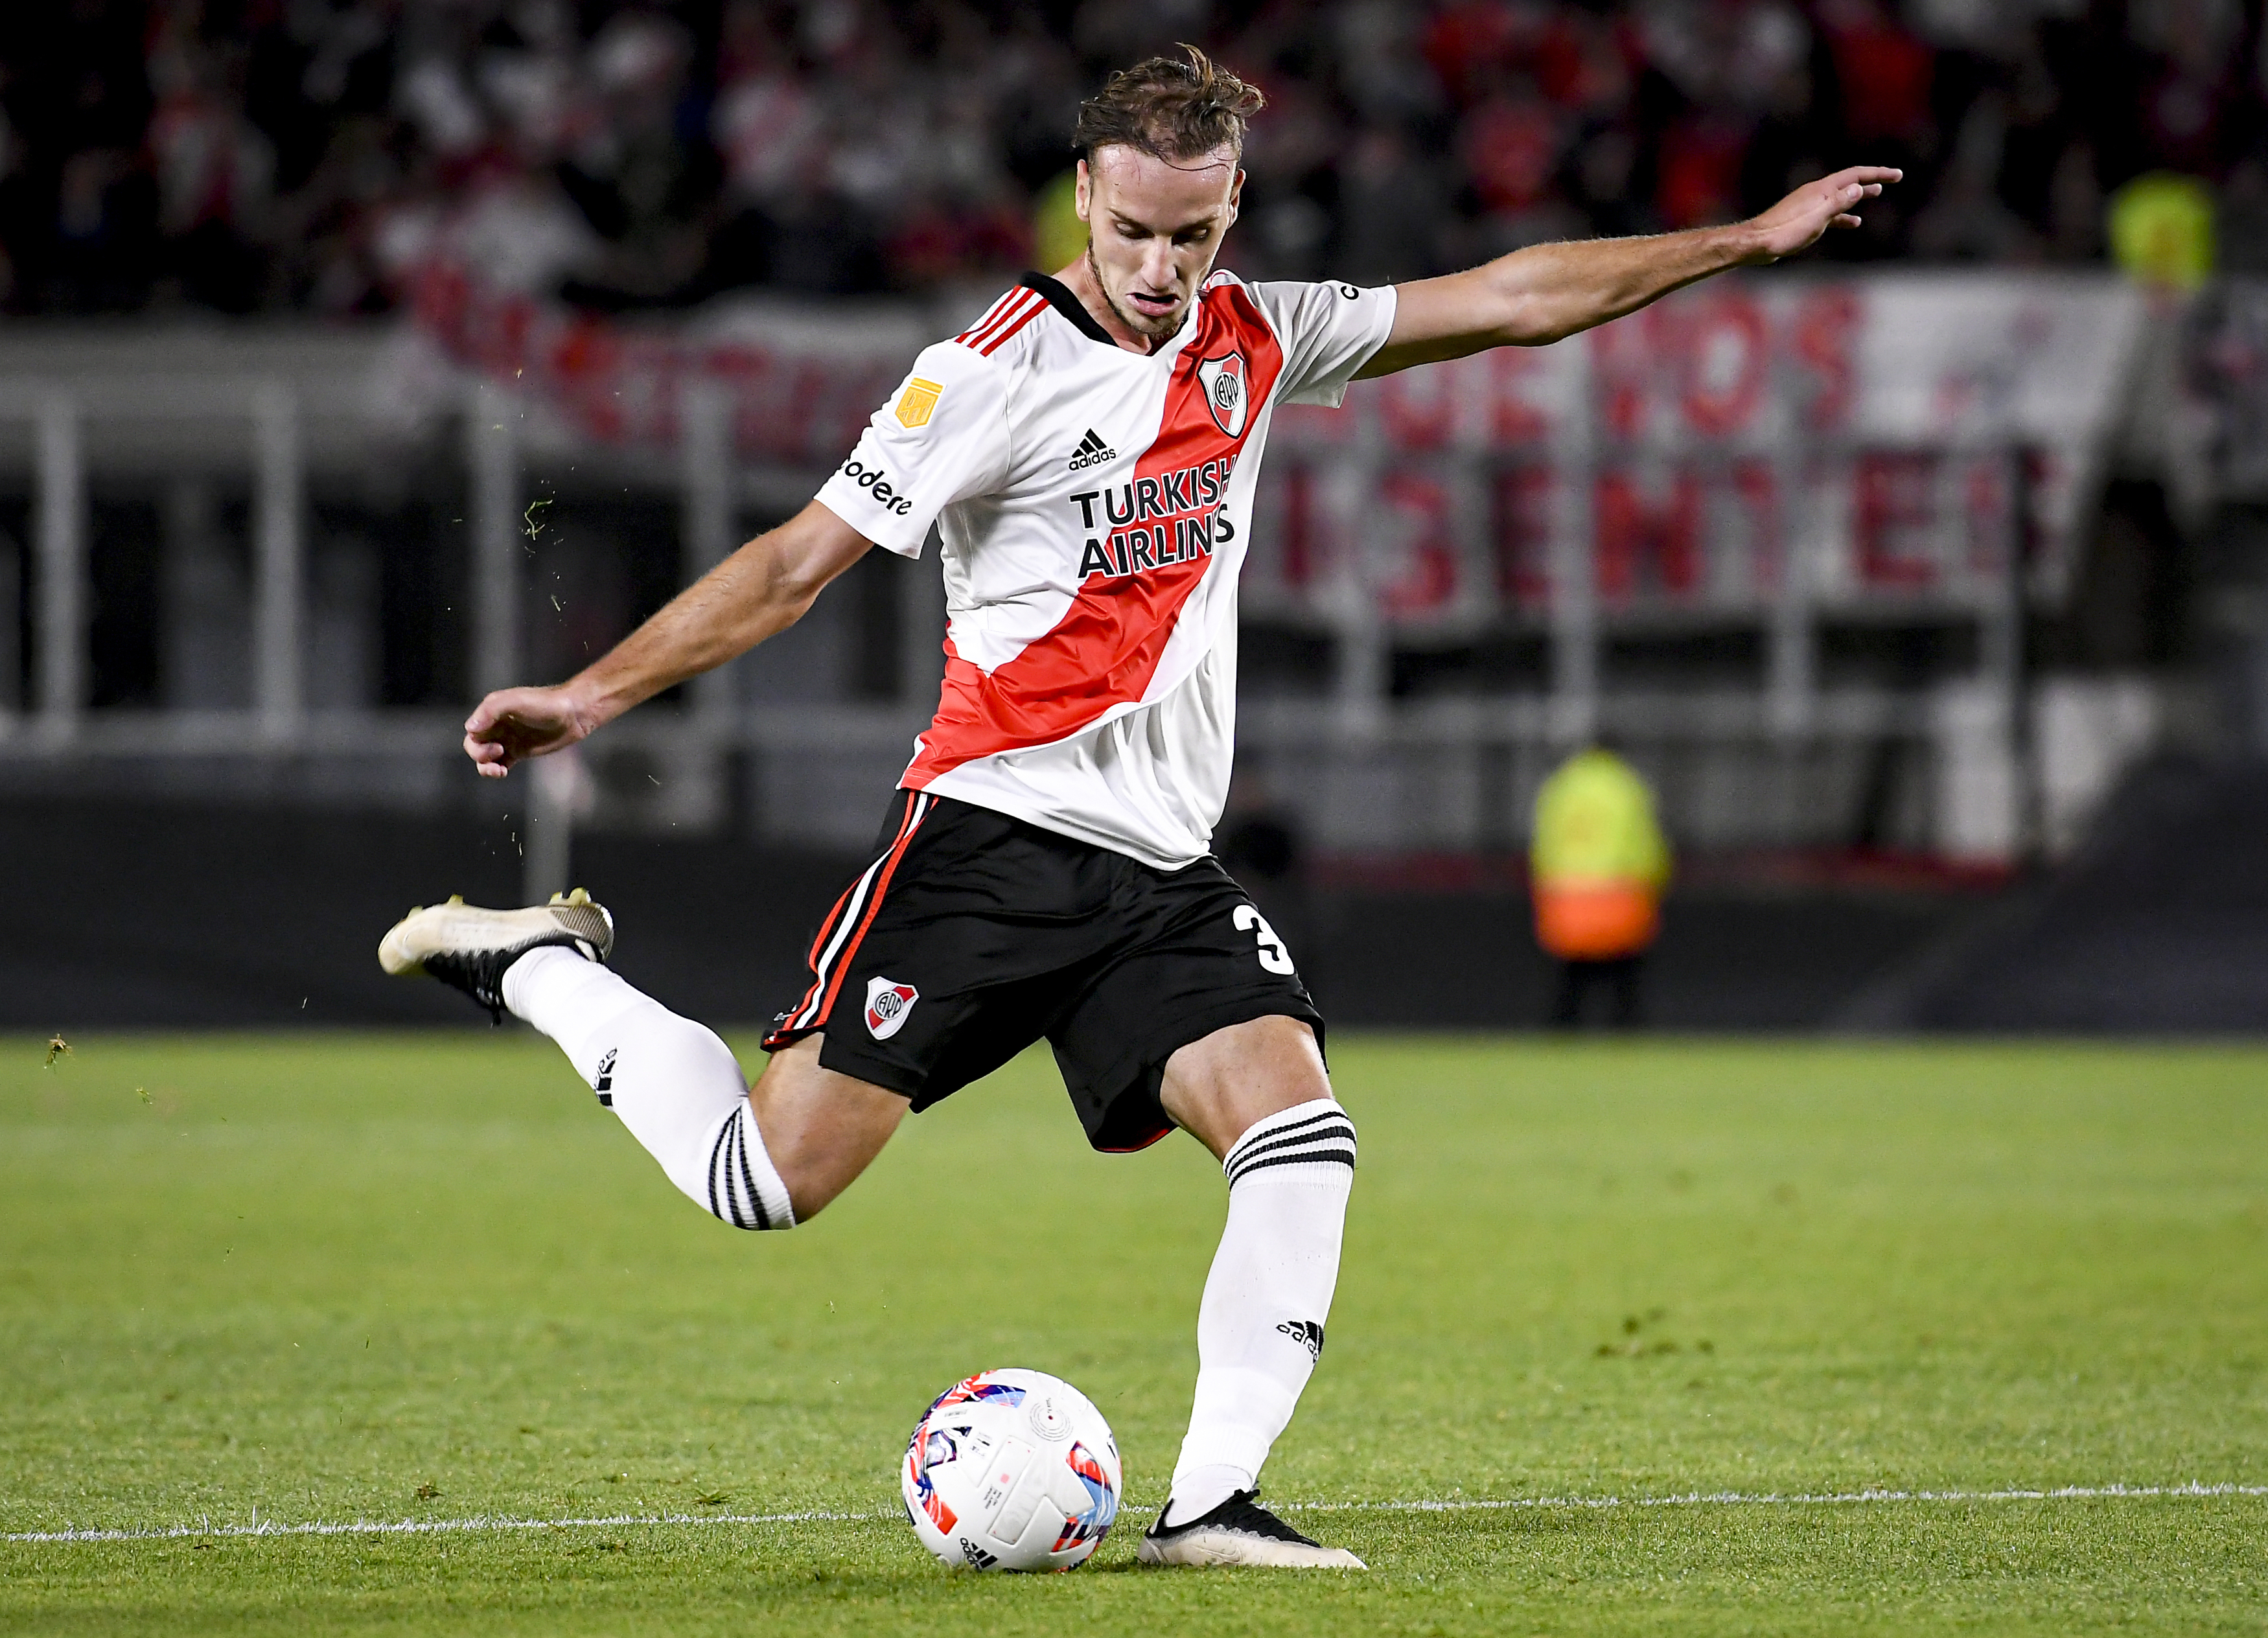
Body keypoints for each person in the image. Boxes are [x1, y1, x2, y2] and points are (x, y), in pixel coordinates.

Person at [379, 47, 1895, 1568]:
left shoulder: (1257, 338)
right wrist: (588, 698)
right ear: (1084, 197)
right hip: (989, 842)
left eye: (1195, 234)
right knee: (761, 1185)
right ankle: (542, 964)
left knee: (1300, 1132)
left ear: (1231, 209)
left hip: (1160, 873)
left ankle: (1210, 1502)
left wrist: (1743, 243)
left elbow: (1510, 297)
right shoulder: (988, 371)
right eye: (1134, 234)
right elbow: (791, 566)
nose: (1163, 269)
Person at [1531, 743, 1672, 1029]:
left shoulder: (1561, 785)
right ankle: (1626, 1036)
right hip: (1620, 894)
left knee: (1571, 980)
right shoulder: (1627, 785)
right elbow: (1647, 843)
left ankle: (1562, 1036)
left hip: (1565, 896)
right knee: (1624, 981)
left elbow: (1543, 843)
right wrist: (1658, 879)